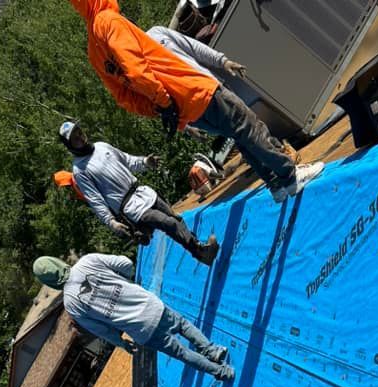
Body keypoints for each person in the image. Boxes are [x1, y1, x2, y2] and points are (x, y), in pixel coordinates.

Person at [67, 0, 324, 202]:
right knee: (249, 126)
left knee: (240, 135)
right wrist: (163, 101)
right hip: (194, 90)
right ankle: (290, 176)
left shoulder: (94, 49)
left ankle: (276, 185)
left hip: (186, 110)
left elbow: (124, 97)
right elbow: (136, 70)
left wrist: (160, 109)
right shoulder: (110, 21)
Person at [33, 254, 235, 380]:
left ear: (49, 282)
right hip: (151, 306)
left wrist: (121, 343)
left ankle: (222, 372)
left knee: (181, 353)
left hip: (141, 331)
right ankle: (212, 351)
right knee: (182, 325)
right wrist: (123, 280)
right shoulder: (87, 262)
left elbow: (101, 330)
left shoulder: (71, 304)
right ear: (57, 262)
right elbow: (126, 264)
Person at [55, 121, 219, 265]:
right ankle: (201, 252)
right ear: (69, 145)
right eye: (74, 138)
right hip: (130, 207)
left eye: (79, 132)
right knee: (169, 223)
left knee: (176, 218)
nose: (80, 137)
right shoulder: (80, 170)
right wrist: (111, 222)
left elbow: (127, 160)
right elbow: (95, 200)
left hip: (143, 192)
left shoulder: (101, 146)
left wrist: (145, 162)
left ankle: (199, 250)